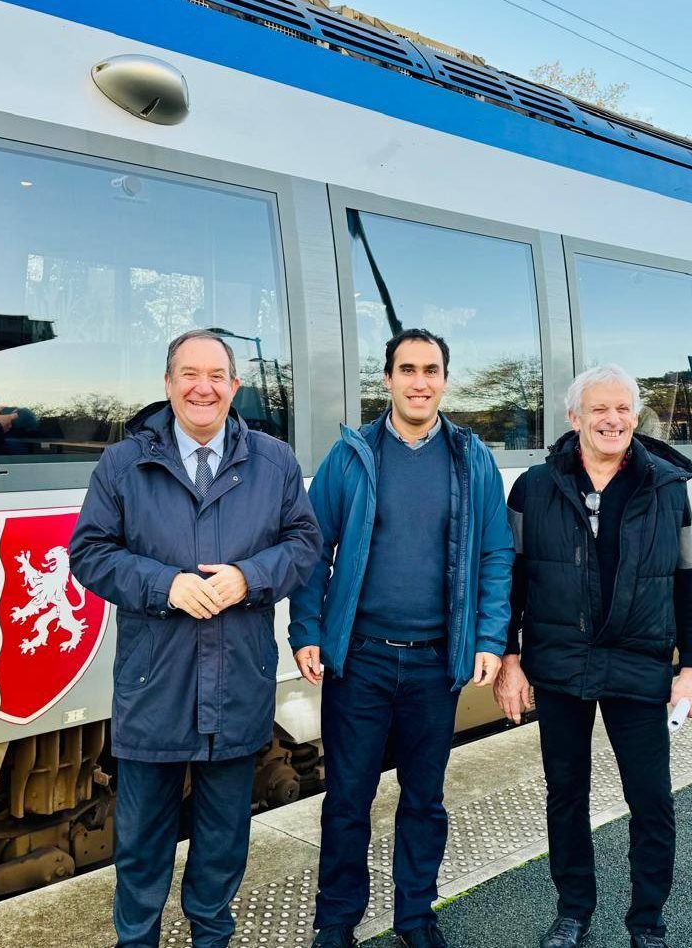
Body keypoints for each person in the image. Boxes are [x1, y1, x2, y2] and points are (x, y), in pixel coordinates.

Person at [68, 330, 321, 948]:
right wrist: (165, 586)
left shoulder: (275, 462)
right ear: (167, 383)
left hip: (238, 680)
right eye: (188, 374)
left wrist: (247, 579)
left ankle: (213, 937)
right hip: (155, 682)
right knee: (143, 841)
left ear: (236, 386)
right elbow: (89, 554)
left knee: (223, 838)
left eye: (216, 376)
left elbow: (304, 545)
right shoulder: (123, 464)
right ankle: (138, 941)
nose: (202, 387)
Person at [290, 329, 514, 948]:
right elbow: (311, 551)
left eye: (432, 370)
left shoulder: (473, 459)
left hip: (435, 666)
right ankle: (337, 920)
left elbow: (496, 554)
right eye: (407, 369)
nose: (420, 381)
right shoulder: (353, 455)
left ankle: (416, 915)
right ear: (386, 379)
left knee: (424, 800)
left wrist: (490, 639)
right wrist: (306, 629)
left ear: (445, 380)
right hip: (358, 661)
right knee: (347, 800)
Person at [496, 364, 692, 948]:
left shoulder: (668, 487)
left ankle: (648, 923)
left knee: (650, 799)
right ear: (574, 419)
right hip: (560, 665)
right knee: (565, 794)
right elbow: (511, 581)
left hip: (638, 666)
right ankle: (573, 911)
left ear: (635, 418)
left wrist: (691, 667)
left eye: (622, 409)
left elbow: (685, 581)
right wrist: (509, 659)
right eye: (598, 409)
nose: (612, 419)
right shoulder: (533, 490)